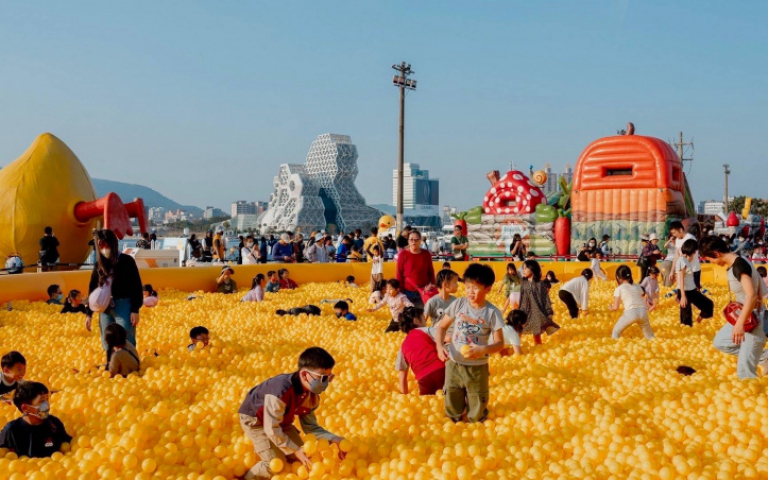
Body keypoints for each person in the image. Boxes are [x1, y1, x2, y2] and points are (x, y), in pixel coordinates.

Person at [238, 347, 344, 479]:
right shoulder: (281, 390)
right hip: (256, 420)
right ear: (305, 375)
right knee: (276, 464)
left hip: (281, 422)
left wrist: (335, 439)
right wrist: (295, 449)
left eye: (330, 377)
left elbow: (310, 427)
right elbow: (271, 428)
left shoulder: (312, 397)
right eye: (323, 378)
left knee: (303, 456)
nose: (327, 383)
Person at [435, 263, 504, 423]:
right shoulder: (459, 304)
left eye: (475, 288)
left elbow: (500, 343)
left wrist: (483, 349)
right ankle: (454, 421)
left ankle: (474, 422)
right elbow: (442, 326)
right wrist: (439, 347)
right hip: (454, 364)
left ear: (488, 289)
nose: (470, 292)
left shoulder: (492, 313)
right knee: (452, 397)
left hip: (477, 368)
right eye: (467, 287)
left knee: (477, 407)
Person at [698, 236, 768, 379]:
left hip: (752, 319)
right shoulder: (739, 261)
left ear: (716, 254)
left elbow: (752, 295)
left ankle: (753, 397)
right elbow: (762, 290)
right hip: (745, 315)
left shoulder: (739, 265)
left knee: (744, 372)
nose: (711, 263)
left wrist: (740, 324)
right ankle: (765, 357)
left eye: (710, 259)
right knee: (721, 342)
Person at [86, 229, 143, 351]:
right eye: (100, 245)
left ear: (112, 244)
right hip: (105, 307)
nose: (103, 248)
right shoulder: (99, 264)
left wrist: (135, 309)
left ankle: (129, 362)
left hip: (124, 304)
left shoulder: (126, 261)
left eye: (105, 244)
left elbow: (136, 285)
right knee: (107, 340)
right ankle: (111, 363)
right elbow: (92, 288)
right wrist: (89, 314)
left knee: (126, 337)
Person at [0, 381, 71, 458]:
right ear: (25, 408)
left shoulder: (54, 424)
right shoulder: (12, 430)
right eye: (41, 401)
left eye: (47, 399)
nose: (46, 404)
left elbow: (68, 446)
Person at [395, 307, 446, 395]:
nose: (425, 320)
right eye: (423, 317)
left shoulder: (402, 347)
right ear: (416, 321)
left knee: (431, 404)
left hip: (424, 380)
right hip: (441, 370)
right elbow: (447, 338)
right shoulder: (427, 330)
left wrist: (404, 396)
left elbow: (402, 377)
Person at [609, 266, 655, 340]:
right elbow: (644, 296)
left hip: (631, 313)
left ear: (618, 277)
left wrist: (610, 308)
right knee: (650, 336)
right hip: (643, 312)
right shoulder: (637, 286)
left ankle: (614, 348)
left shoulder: (619, 289)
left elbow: (615, 307)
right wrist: (646, 305)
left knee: (616, 332)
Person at [519, 259, 559, 345]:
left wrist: (549, 312)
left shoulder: (540, 284)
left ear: (532, 269)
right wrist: (520, 311)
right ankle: (514, 346)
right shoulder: (524, 283)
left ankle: (538, 346)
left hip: (536, 312)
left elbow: (545, 299)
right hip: (525, 310)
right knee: (518, 329)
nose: (523, 270)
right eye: (523, 268)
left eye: (526, 268)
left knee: (536, 331)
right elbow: (522, 299)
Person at [676, 239, 714, 327]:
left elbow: (684, 277)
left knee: (708, 305)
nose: (695, 253)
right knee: (686, 317)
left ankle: (697, 322)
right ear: (691, 250)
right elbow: (681, 278)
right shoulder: (682, 260)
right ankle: (686, 333)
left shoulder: (685, 261)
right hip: (685, 292)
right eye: (694, 251)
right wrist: (682, 296)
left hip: (691, 291)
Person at [396, 229, 436, 309]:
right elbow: (399, 273)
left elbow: (430, 272)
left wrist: (432, 285)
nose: (413, 242)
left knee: (420, 317)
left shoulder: (426, 254)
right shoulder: (403, 254)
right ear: (408, 241)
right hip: (407, 292)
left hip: (423, 292)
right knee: (408, 316)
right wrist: (399, 291)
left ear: (420, 240)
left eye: (416, 239)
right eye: (411, 239)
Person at [670, 221, 701, 290]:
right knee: (682, 291)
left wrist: (682, 269)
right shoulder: (678, 240)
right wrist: (672, 271)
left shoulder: (690, 238)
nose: (674, 235)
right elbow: (676, 256)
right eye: (673, 233)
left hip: (693, 270)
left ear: (680, 230)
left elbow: (691, 256)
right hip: (683, 269)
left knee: (695, 292)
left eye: (675, 232)